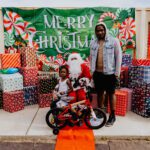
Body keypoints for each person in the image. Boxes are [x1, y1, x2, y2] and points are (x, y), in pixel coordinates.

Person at [90, 22, 122, 127]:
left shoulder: (114, 41)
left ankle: (112, 115)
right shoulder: (93, 43)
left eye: (102, 30)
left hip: (110, 73)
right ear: (95, 32)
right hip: (97, 73)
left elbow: (118, 57)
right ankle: (100, 112)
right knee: (100, 93)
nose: (100, 32)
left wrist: (117, 73)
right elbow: (91, 58)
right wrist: (92, 72)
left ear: (105, 30)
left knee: (111, 93)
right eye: (98, 30)